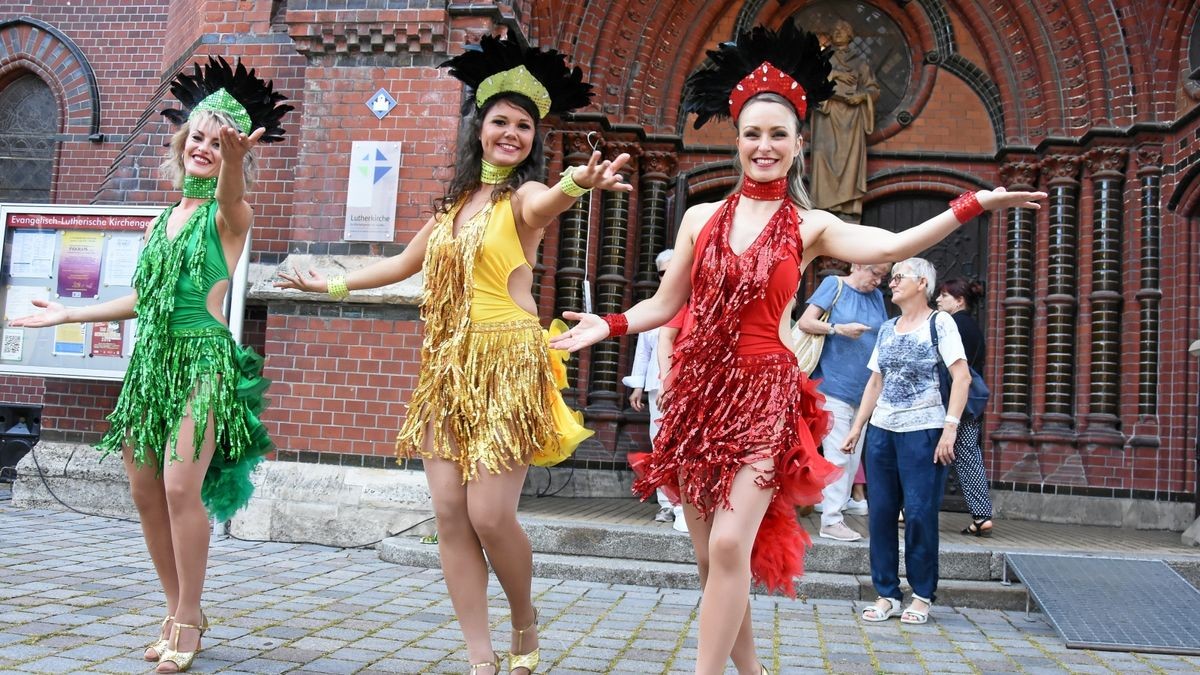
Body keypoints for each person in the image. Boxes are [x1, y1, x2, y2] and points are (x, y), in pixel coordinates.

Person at [549, 21, 1043, 674]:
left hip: (765, 395)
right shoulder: (701, 219)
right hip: (698, 398)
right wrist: (609, 325)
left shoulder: (812, 226)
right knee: (710, 559)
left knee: (729, 545)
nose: (764, 145)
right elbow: (666, 305)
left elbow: (892, 247)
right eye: (752, 133)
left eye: (777, 133)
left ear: (799, 142)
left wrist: (974, 202)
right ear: (737, 139)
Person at [276, 35, 630, 675]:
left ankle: (524, 621)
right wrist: (327, 281)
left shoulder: (522, 199)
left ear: (533, 139)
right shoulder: (449, 209)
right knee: (448, 514)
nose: (512, 133)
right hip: (446, 369)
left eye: (524, 126)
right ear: (480, 126)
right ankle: (480, 656)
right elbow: (401, 266)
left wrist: (579, 181)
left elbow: (548, 202)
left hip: (506, 367)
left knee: (491, 515)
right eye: (501, 121)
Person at [11, 57, 289, 672]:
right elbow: (143, 298)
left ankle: (189, 618)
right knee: (143, 491)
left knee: (179, 485)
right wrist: (65, 314)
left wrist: (237, 161)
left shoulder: (228, 217)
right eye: (198, 136)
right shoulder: (162, 222)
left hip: (203, 362)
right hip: (151, 364)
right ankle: (174, 608)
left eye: (219, 143)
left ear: (233, 153)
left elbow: (234, 193)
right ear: (181, 141)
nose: (205, 147)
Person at [842, 258, 969, 626]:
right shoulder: (886, 328)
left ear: (922, 284)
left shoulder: (940, 323)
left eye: (899, 277)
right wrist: (857, 428)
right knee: (880, 515)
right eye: (892, 277)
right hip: (882, 431)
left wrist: (950, 428)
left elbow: (961, 379)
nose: (891, 283)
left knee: (918, 514)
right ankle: (886, 593)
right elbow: (875, 383)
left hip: (924, 431)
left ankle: (922, 594)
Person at [796, 263, 890, 542]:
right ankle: (832, 520)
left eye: (883, 275)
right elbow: (805, 322)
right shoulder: (834, 285)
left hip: (864, 392)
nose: (878, 280)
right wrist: (838, 328)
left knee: (851, 455)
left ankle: (835, 513)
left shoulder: (876, 296)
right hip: (833, 385)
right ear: (857, 265)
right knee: (839, 454)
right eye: (875, 273)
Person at [623, 249, 687, 531]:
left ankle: (686, 503)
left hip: (690, 385)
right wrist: (637, 386)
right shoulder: (651, 305)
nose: (668, 276)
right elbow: (644, 350)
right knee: (659, 441)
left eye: (673, 270)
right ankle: (666, 504)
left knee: (685, 442)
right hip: (656, 384)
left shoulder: (694, 300)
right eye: (663, 272)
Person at [936, 278, 994, 537]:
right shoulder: (974, 328)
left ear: (959, 301)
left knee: (931, 452)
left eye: (944, 296)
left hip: (950, 401)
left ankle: (908, 509)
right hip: (970, 404)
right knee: (969, 456)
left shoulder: (951, 325)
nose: (938, 300)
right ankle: (982, 516)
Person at [810, 20, 879, 219]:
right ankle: (823, 207)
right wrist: (835, 74)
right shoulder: (822, 60)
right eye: (835, 29)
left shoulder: (860, 62)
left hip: (852, 118)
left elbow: (874, 89)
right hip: (827, 114)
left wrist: (862, 97)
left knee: (850, 161)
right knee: (823, 157)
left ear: (850, 36)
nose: (839, 32)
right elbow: (811, 83)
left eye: (844, 30)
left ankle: (848, 207)